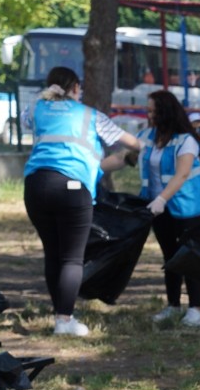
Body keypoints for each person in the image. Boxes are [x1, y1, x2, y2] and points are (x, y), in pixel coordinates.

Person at [22, 66, 141, 337]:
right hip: (72, 190)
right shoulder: (90, 115)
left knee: (53, 252)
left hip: (36, 186)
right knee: (72, 258)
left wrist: (45, 97)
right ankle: (65, 321)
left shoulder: (38, 108)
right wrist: (140, 148)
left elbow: (25, 116)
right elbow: (130, 143)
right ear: (75, 87)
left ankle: (59, 314)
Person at [142, 93, 200, 328]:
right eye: (148, 111)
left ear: (166, 112)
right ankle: (173, 305)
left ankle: (195, 309)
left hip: (188, 208)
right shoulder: (150, 136)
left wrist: (161, 198)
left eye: (153, 111)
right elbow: (128, 154)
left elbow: (181, 174)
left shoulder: (186, 140)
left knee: (189, 257)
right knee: (170, 257)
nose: (149, 116)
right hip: (161, 208)